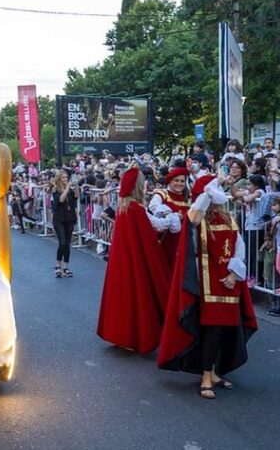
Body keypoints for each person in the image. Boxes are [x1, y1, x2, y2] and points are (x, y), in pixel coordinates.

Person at [157, 175, 258, 400]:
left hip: (229, 283)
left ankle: (213, 372)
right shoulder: (199, 219)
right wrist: (206, 191)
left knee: (224, 330)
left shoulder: (229, 218)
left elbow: (238, 247)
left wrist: (235, 274)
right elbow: (192, 216)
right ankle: (204, 375)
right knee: (211, 330)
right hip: (206, 282)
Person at [97, 166, 180, 353]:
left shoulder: (123, 206)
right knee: (137, 295)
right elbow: (154, 228)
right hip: (135, 262)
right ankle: (133, 336)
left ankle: (121, 335)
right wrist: (173, 218)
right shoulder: (135, 208)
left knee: (123, 297)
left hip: (122, 262)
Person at [148, 167, 191, 264]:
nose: (179, 183)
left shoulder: (187, 198)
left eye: (182, 181)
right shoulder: (163, 194)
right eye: (176, 180)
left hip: (180, 240)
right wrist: (170, 215)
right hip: (164, 238)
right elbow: (153, 206)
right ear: (170, 181)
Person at [51, 170, 79, 278]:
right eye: (63, 178)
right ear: (59, 179)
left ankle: (66, 267)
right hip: (59, 219)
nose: (65, 179)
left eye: (66, 177)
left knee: (67, 244)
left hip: (69, 218)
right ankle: (58, 265)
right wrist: (68, 187)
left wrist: (76, 186)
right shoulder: (55, 190)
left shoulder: (70, 190)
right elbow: (61, 200)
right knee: (62, 242)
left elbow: (76, 196)